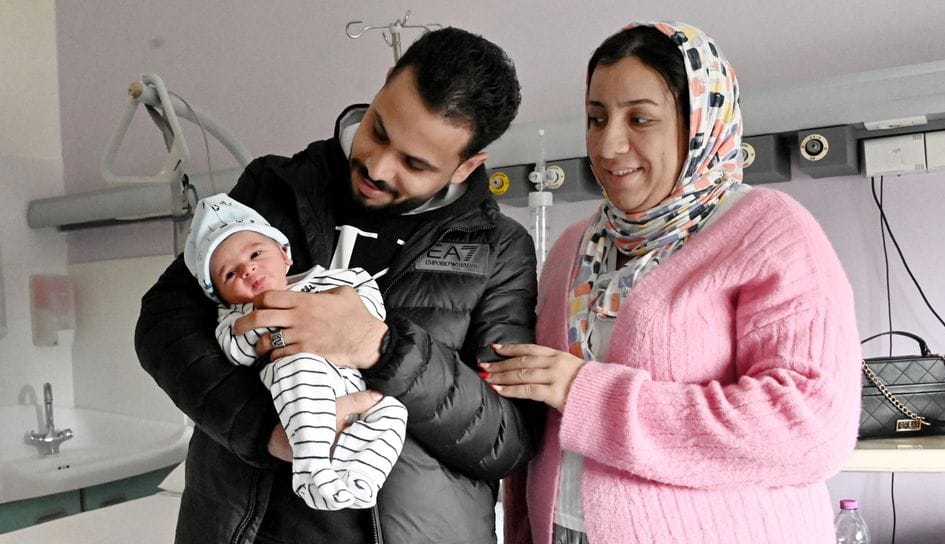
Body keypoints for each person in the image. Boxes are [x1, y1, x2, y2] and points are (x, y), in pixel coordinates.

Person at [135, 27, 542, 544]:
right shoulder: (276, 189)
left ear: (467, 165)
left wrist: (381, 347)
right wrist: (266, 432)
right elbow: (163, 320)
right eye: (378, 129)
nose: (376, 165)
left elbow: (507, 438)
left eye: (414, 163)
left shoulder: (499, 250)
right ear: (385, 83)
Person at [485, 21, 862, 544]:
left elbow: (809, 429)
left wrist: (586, 392)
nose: (609, 143)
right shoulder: (573, 247)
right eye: (597, 118)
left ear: (699, 125)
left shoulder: (769, 233)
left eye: (640, 119)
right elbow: (541, 424)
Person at [183, 192, 407, 511]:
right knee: (300, 365)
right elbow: (238, 350)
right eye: (229, 274)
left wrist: (336, 316)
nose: (247, 270)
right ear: (220, 296)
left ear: (285, 254)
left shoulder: (339, 280)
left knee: (392, 411)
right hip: (297, 386)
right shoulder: (235, 315)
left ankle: (361, 480)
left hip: (354, 386)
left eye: (256, 253)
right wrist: (265, 323)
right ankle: (312, 470)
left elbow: (372, 312)